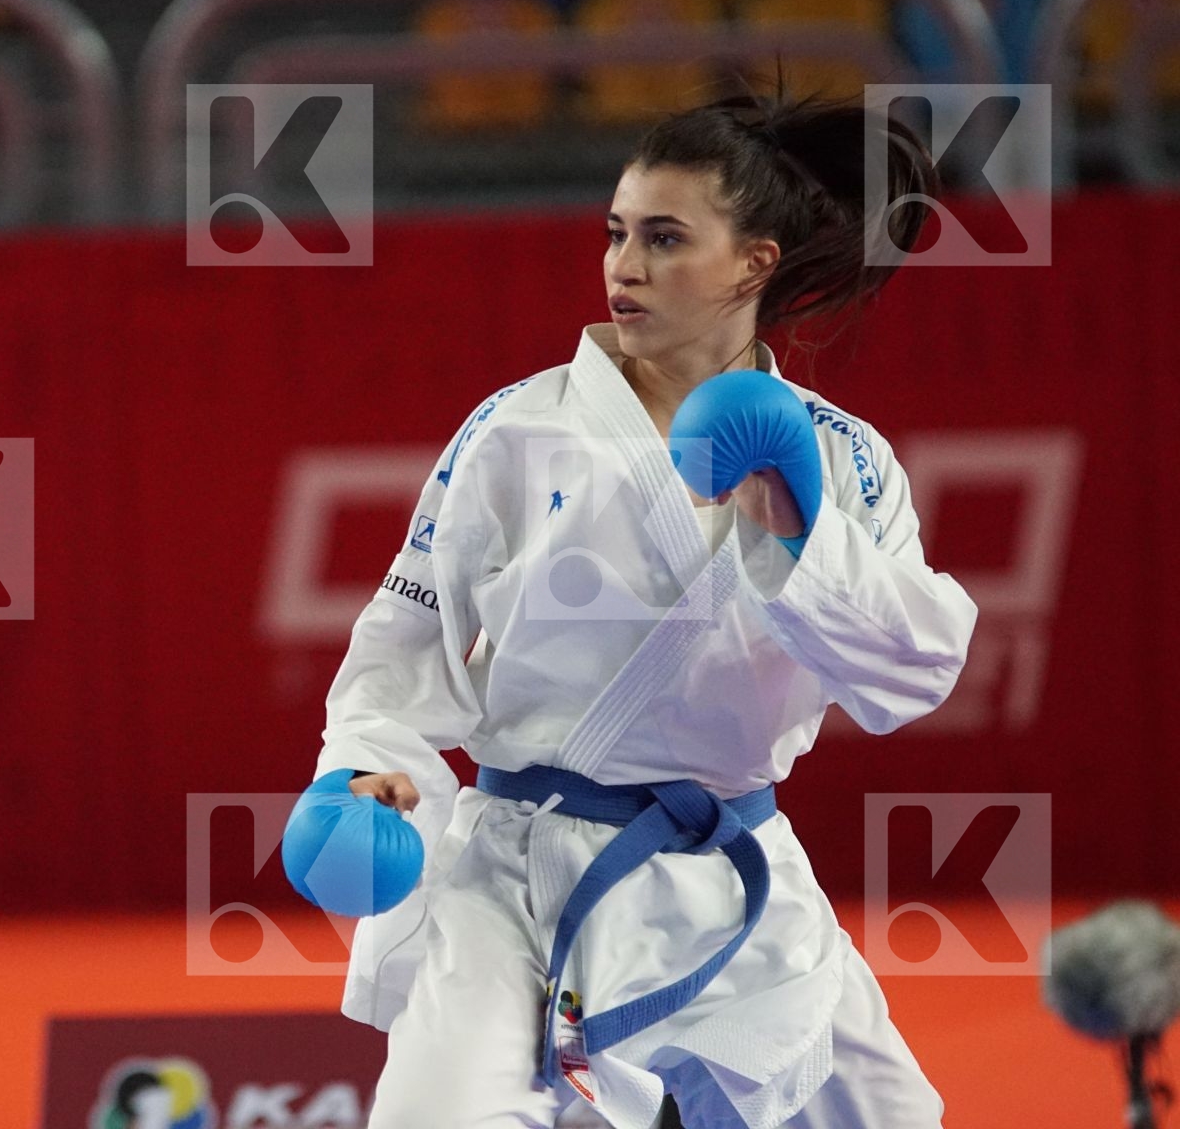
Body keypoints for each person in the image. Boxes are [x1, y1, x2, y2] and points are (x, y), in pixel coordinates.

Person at [312, 89, 979, 1129]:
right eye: (617, 233)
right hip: (522, 882)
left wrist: (799, 531)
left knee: (890, 1117)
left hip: (734, 868)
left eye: (664, 239)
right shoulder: (517, 431)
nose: (624, 265)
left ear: (754, 262)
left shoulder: (843, 457)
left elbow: (917, 669)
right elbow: (402, 650)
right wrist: (363, 776)